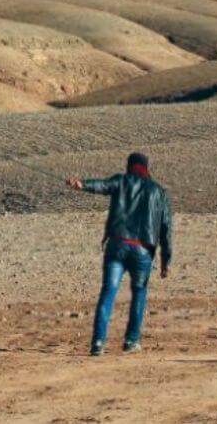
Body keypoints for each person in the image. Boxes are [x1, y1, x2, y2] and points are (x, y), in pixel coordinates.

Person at [66, 152, 173, 356]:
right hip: (143, 249)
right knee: (139, 292)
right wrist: (166, 260)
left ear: (130, 166)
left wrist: (82, 184)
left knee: (108, 291)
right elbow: (166, 227)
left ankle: (98, 342)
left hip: (117, 244)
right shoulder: (158, 192)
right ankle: (132, 340)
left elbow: (102, 185)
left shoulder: (122, 181)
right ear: (146, 168)